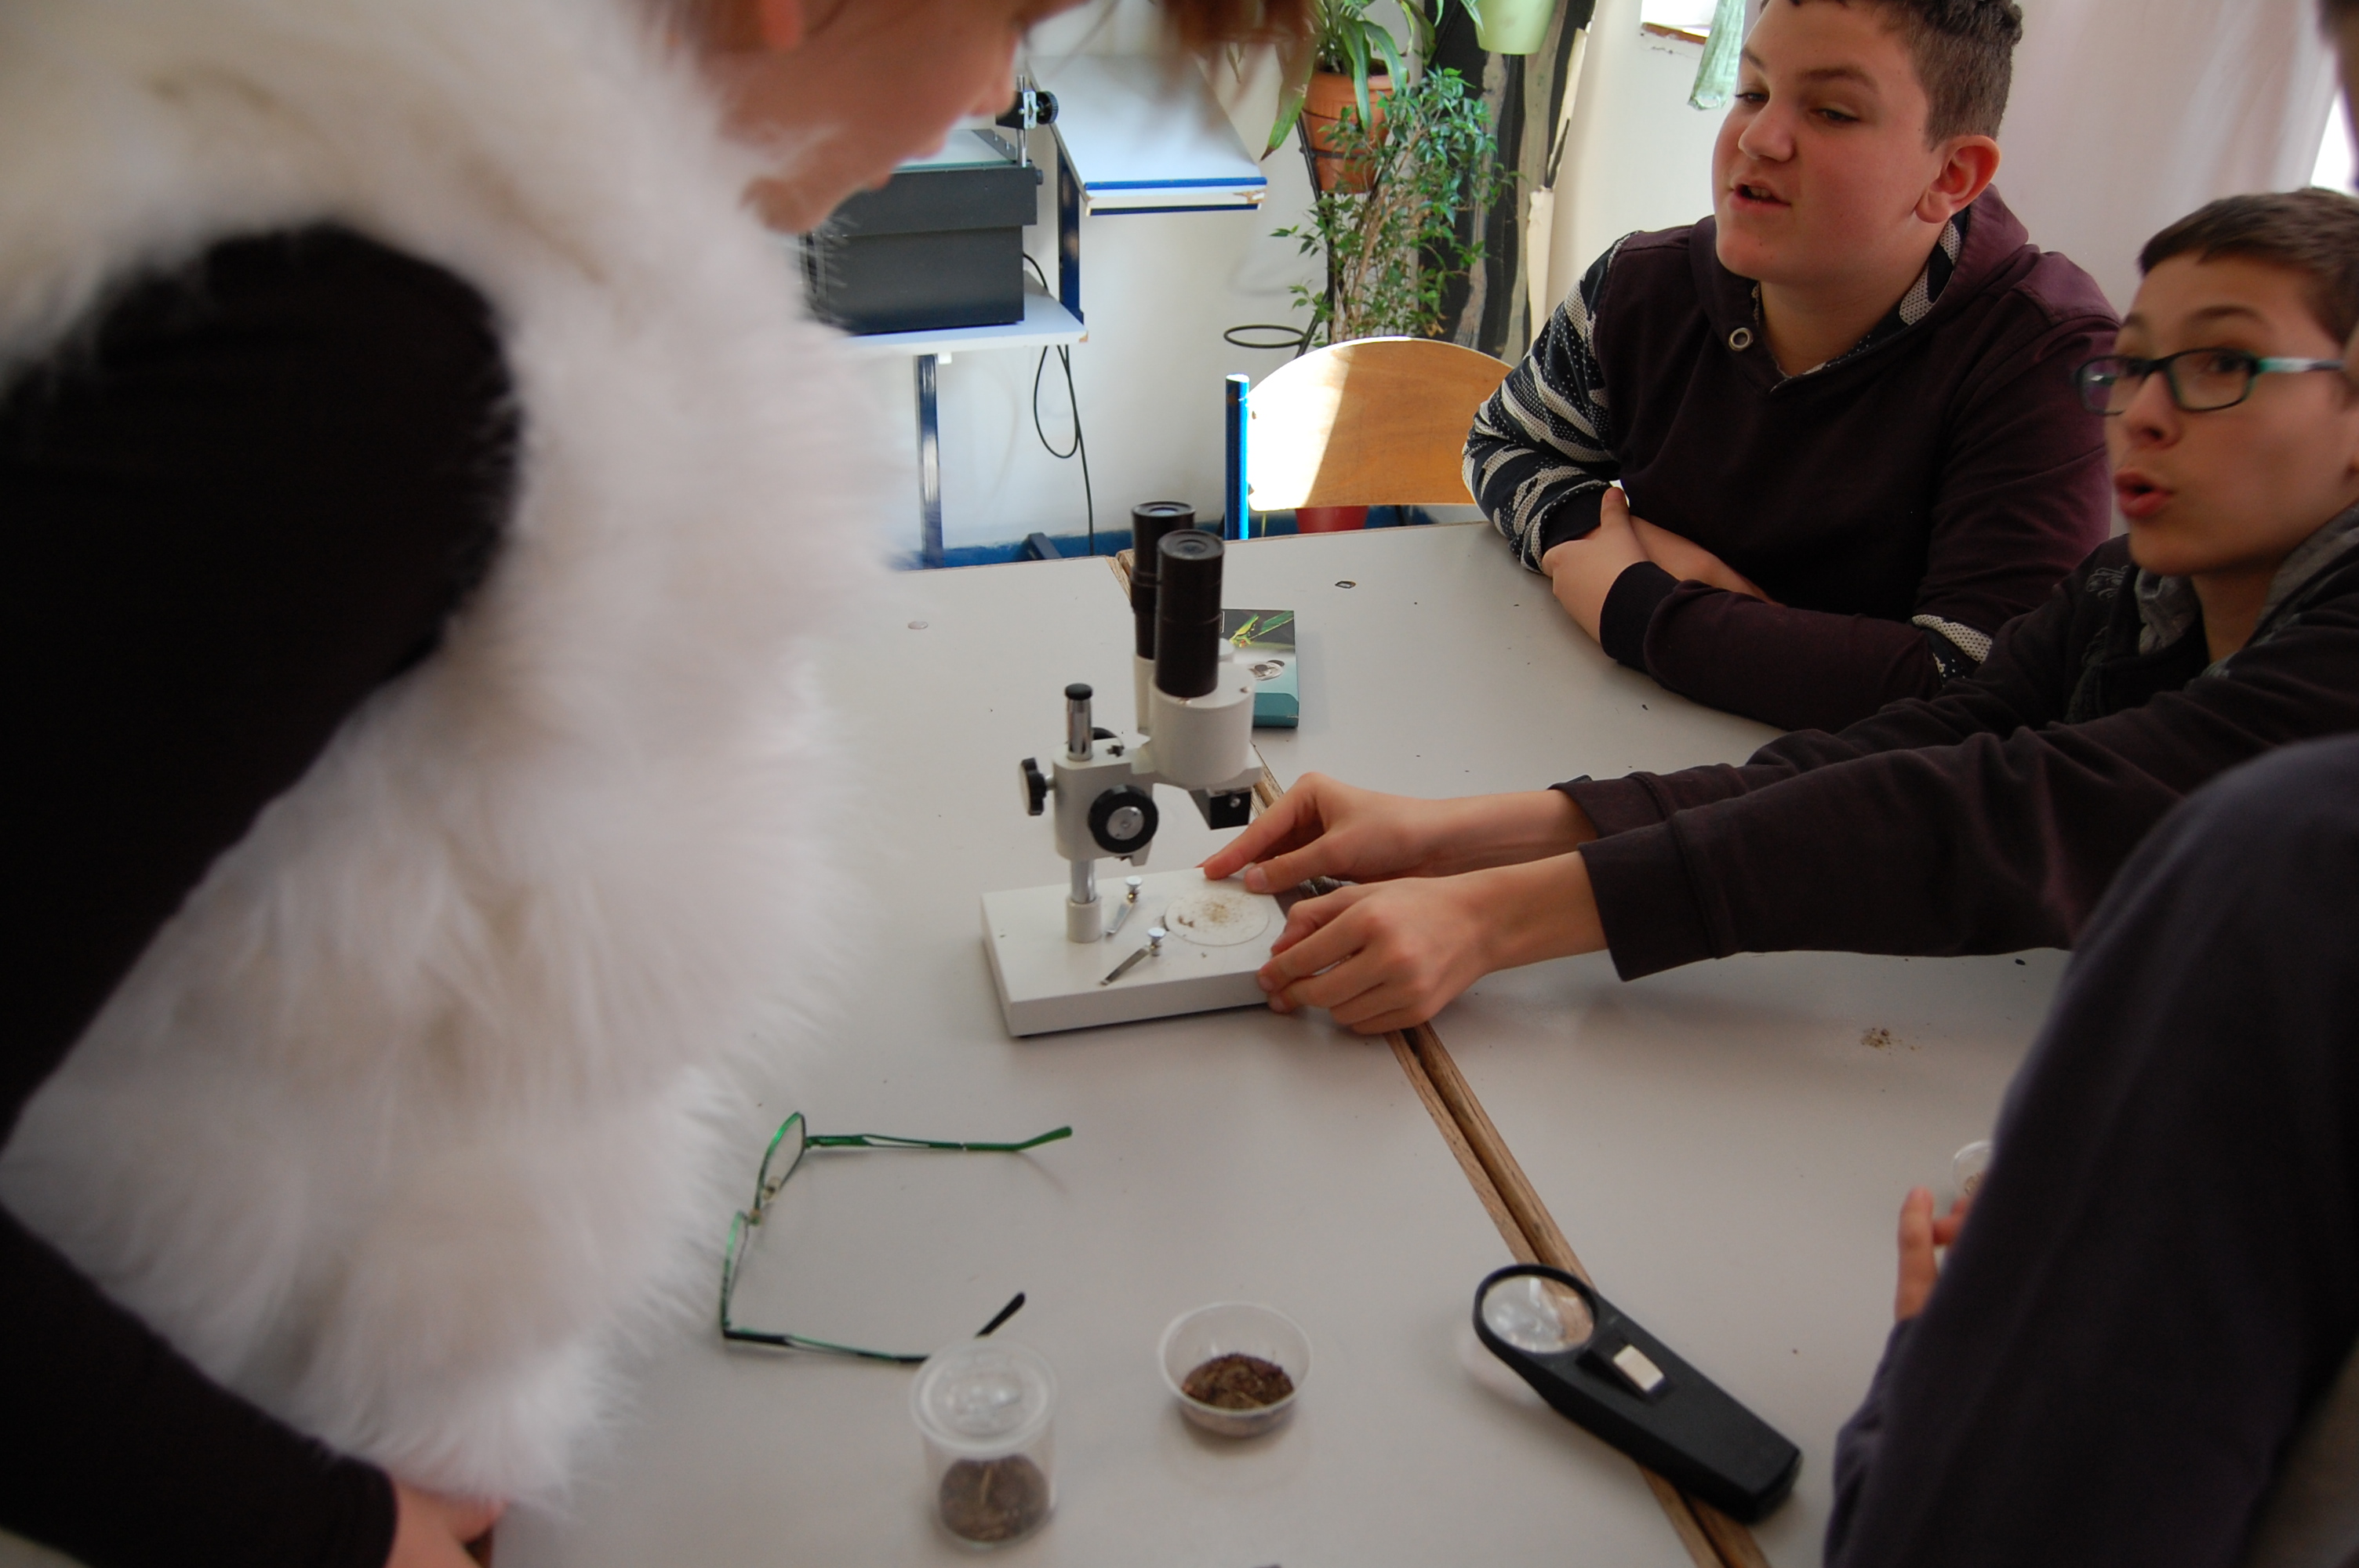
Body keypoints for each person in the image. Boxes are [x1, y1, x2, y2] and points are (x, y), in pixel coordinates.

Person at [0, 2, 1307, 1566]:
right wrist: (329, 1534)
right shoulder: (364, 361)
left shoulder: (418, 262)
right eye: (1012, 20)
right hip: (214, 1444)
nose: (996, 90)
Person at [1204, 187, 2359, 1038]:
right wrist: (1453, 835)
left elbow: (1976, 814)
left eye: (2223, 366)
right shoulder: (2128, 593)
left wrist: (1493, 920)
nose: (2143, 414)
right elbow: (1888, 760)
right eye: (2135, 368)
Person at [1465, 0, 2116, 734]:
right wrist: (1592, 534)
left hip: (1847, 788)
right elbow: (1503, 441)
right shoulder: (1641, 285)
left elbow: (1983, 689)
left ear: (1953, 173)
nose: (1760, 138)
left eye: (1833, 112)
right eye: (1753, 92)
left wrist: (1634, 604)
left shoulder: (2046, 356)